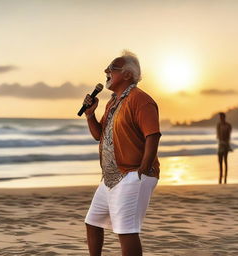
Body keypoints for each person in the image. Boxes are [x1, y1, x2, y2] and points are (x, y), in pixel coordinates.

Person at [83, 50, 161, 256]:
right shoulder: (112, 102)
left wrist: (141, 171)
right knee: (92, 222)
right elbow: (99, 135)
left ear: (127, 75)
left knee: (126, 232)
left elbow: (153, 136)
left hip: (132, 174)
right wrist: (90, 115)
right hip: (110, 177)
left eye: (112, 68)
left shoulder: (141, 100)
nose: (106, 71)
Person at [217, 112, 232, 184]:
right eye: (220, 117)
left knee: (225, 161)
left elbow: (228, 136)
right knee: (220, 161)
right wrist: (221, 141)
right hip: (220, 144)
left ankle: (225, 177)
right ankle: (221, 175)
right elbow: (218, 135)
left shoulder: (228, 125)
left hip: (225, 145)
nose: (220, 118)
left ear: (224, 117)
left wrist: (225, 143)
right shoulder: (218, 125)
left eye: (221, 117)